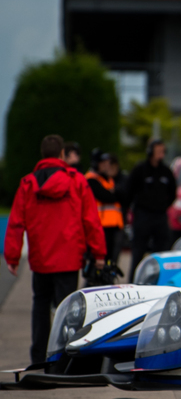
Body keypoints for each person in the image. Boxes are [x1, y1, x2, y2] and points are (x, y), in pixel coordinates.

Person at [4, 134, 106, 364]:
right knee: (68, 310)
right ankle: (65, 359)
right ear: (61, 154)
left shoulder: (28, 183)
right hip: (69, 258)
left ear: (42, 155)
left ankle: (39, 357)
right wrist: (99, 252)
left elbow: (16, 221)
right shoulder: (77, 181)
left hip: (41, 258)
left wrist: (12, 256)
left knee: (40, 306)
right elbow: (90, 219)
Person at [125, 138, 177, 280]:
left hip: (160, 216)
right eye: (158, 151)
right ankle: (133, 281)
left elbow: (173, 193)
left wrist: (163, 206)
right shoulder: (140, 170)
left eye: (163, 151)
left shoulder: (166, 172)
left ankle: (159, 280)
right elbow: (128, 192)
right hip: (143, 216)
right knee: (138, 252)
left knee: (161, 251)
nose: (161, 154)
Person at [86, 149, 126, 267]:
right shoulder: (91, 179)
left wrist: (115, 193)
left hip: (113, 225)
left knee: (111, 263)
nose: (106, 166)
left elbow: (123, 194)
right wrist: (114, 193)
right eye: (103, 163)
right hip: (100, 226)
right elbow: (107, 196)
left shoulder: (108, 179)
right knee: (98, 265)